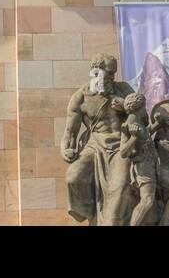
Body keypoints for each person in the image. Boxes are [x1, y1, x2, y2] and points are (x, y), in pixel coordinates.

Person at [61, 53, 136, 224]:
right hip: (94, 146)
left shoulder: (123, 89)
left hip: (121, 145)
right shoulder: (81, 97)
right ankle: (92, 215)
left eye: (113, 73)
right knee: (73, 177)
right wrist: (65, 150)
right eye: (109, 73)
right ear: (96, 71)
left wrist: (125, 107)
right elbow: (69, 133)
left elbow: (142, 117)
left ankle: (111, 221)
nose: (112, 77)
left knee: (120, 185)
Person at [119, 93, 158, 226]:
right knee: (147, 200)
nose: (145, 109)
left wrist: (157, 125)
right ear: (138, 107)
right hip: (143, 166)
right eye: (143, 107)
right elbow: (123, 152)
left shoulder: (138, 123)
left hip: (152, 164)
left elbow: (145, 136)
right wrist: (133, 138)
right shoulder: (128, 125)